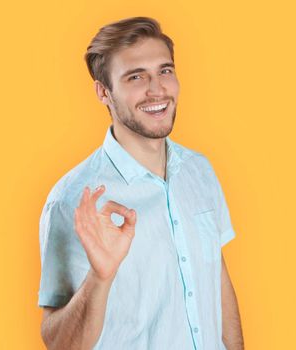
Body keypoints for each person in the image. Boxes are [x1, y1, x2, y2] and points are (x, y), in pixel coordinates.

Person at [38, 16, 245, 350]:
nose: (157, 89)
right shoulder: (74, 200)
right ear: (103, 92)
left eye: (165, 71)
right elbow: (59, 343)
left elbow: (217, 282)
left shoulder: (200, 172)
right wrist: (100, 278)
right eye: (136, 77)